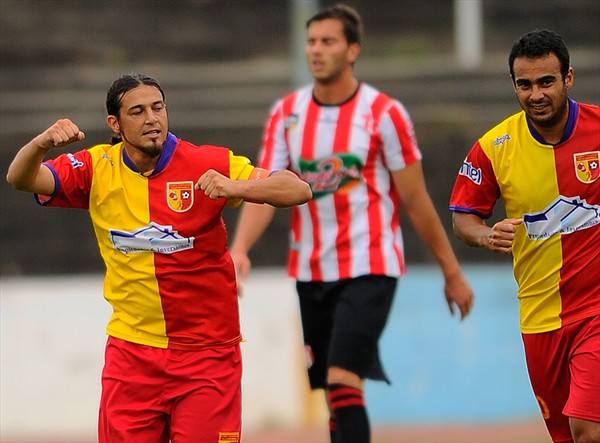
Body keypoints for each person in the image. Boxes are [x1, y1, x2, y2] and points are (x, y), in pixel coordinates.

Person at [5, 72, 312, 443]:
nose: (152, 119)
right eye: (137, 112)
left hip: (207, 356)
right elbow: (20, 179)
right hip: (131, 355)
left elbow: (298, 189)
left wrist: (237, 186)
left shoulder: (206, 162)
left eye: (158, 108)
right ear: (115, 124)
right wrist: (41, 143)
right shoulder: (96, 167)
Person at [230, 4, 474, 442]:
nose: (316, 50)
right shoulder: (287, 114)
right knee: (334, 394)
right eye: (311, 41)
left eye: (328, 41)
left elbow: (415, 199)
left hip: (370, 264)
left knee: (342, 379)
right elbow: (265, 189)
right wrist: (240, 248)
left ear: (353, 50)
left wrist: (451, 272)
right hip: (311, 270)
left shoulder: (384, 114)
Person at [449, 30, 600, 443]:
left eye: (546, 82)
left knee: (588, 430)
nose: (536, 94)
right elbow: (463, 218)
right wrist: (485, 236)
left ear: (568, 78)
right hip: (539, 317)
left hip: (595, 311)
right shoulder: (494, 147)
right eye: (525, 84)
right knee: (566, 437)